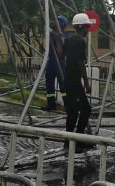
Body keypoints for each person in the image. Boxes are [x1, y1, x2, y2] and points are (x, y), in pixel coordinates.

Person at [63, 13, 93, 150]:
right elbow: (81, 63)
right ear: (81, 27)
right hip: (75, 81)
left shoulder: (68, 40)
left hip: (67, 80)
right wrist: (86, 83)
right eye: (87, 27)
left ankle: (68, 141)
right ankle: (78, 139)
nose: (88, 30)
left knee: (72, 111)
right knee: (86, 109)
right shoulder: (81, 42)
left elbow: (62, 57)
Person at [42, 15, 69, 111]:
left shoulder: (64, 35)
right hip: (51, 63)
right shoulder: (52, 34)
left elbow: (60, 53)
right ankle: (51, 104)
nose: (54, 22)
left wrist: (57, 37)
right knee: (49, 85)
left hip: (60, 63)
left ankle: (67, 105)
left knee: (63, 86)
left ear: (62, 24)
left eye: (57, 21)